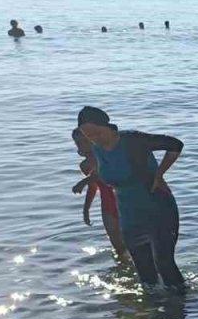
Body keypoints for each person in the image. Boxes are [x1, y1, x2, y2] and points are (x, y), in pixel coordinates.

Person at [76, 106, 186, 295]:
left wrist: (160, 174)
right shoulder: (97, 149)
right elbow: (108, 174)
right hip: (129, 214)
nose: (94, 138)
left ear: (106, 125)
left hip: (158, 208)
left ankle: (181, 308)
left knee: (165, 264)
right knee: (145, 274)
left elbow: (175, 144)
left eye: (96, 132)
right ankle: (154, 315)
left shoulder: (132, 140)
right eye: (88, 135)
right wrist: (87, 181)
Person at [71, 129, 127, 259]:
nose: (82, 145)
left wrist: (84, 181)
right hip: (108, 205)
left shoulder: (107, 156)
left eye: (85, 141)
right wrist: (86, 209)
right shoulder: (85, 165)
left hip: (125, 201)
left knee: (135, 242)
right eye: (78, 143)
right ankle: (126, 270)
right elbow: (94, 186)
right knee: (118, 248)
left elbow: (104, 176)